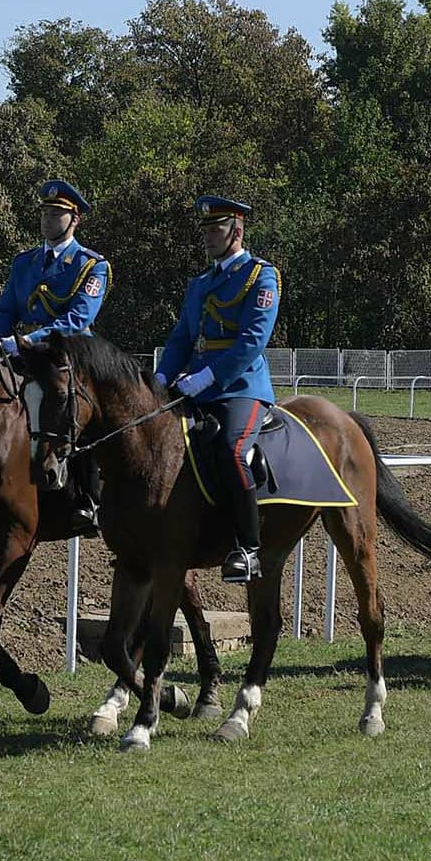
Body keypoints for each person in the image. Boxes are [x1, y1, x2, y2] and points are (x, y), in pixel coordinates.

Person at [154, 194, 279, 584]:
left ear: (236, 231)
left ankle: (248, 548)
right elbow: (181, 339)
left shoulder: (261, 276)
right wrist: (160, 379)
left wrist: (208, 377)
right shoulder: (200, 284)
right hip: (193, 386)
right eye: (205, 230)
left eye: (216, 229)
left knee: (232, 450)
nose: (208, 236)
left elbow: (251, 342)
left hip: (241, 388)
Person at [0, 179, 111, 532]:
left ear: (75, 220)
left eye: (57, 214)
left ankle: (88, 499)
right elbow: (5, 308)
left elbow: (77, 320)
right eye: (45, 213)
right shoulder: (25, 262)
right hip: (23, 350)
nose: (48, 219)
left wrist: (23, 340)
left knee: (74, 409)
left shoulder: (90, 265)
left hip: (68, 355)